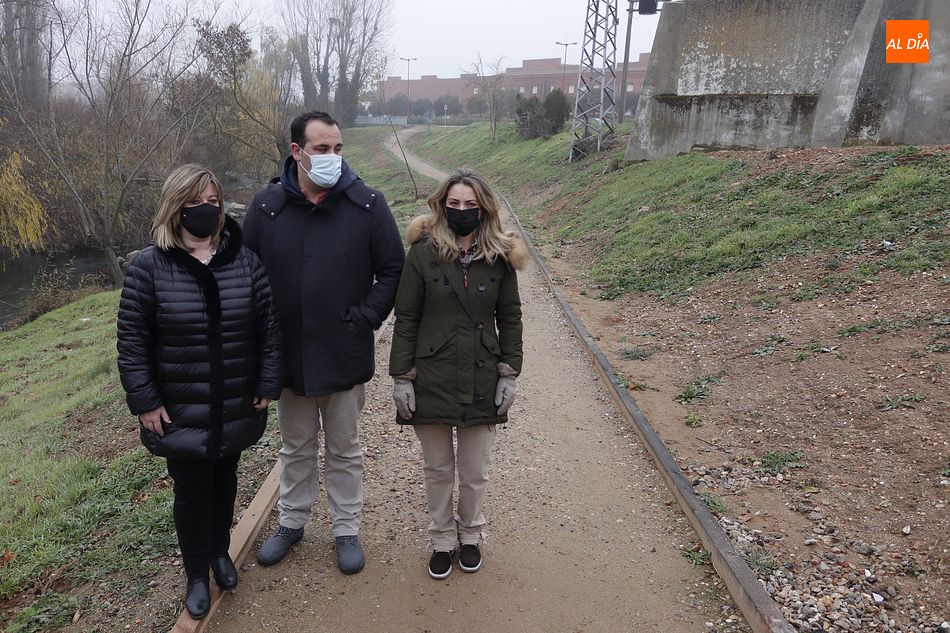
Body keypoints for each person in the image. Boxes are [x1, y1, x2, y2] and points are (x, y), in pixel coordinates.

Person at [117, 164, 282, 619]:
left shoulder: (243, 260)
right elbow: (133, 342)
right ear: (176, 207)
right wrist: (146, 400)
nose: (206, 210)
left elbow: (268, 327)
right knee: (191, 491)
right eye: (195, 202)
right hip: (180, 407)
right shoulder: (149, 267)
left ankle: (219, 551)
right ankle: (195, 572)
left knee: (225, 482)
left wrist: (268, 381)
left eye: (213, 201)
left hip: (233, 399)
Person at [243, 111, 405, 574]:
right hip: (288, 356)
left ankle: (345, 529)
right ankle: (292, 523)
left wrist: (365, 319)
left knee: (344, 448)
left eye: (338, 148)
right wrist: (262, 333)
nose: (332, 157)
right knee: (295, 447)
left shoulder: (367, 205)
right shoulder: (266, 207)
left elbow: (393, 269)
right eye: (321, 149)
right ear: (297, 152)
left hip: (343, 352)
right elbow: (246, 273)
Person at [389, 169, 526, 579]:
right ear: (442, 205)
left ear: (483, 208)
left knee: (475, 469)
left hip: (482, 375)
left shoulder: (500, 257)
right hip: (431, 375)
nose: (462, 211)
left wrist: (510, 371)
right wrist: (401, 375)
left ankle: (470, 535)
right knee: (436, 469)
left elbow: (511, 316)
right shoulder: (423, 253)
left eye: (470, 205)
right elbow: (407, 316)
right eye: (454, 204)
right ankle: (441, 540)